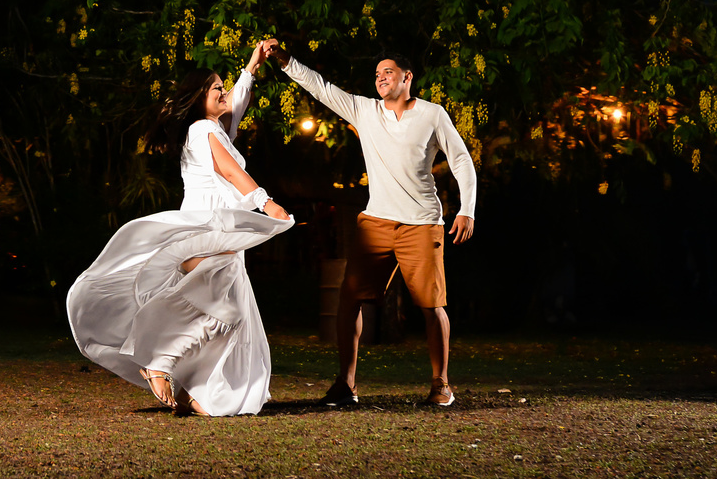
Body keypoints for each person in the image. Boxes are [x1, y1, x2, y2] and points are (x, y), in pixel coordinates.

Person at [67, 43, 293, 417]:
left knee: (227, 309)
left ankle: (193, 388)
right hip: (206, 227)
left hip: (211, 227)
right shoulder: (204, 129)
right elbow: (231, 172)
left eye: (223, 87)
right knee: (226, 307)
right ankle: (160, 361)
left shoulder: (213, 128)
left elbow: (238, 102)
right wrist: (266, 203)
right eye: (216, 88)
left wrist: (252, 66)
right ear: (200, 98)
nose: (224, 92)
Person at [261, 39, 476, 407]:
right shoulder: (365, 110)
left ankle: (441, 384)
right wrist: (284, 60)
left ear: (407, 77)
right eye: (377, 74)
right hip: (376, 223)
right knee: (350, 299)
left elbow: (461, 160)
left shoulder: (432, 114)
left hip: (421, 224)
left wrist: (467, 209)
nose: (381, 78)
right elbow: (321, 87)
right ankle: (346, 384)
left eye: (388, 72)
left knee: (432, 305)